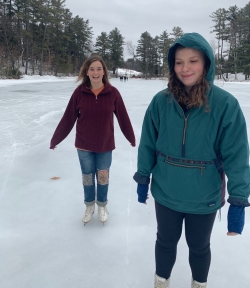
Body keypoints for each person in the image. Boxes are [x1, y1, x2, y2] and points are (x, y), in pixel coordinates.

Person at [133, 33, 250, 288]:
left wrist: (238, 201)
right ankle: (161, 282)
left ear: (206, 63)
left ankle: (199, 284)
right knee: (165, 241)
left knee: (199, 248)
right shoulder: (160, 101)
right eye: (178, 62)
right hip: (166, 191)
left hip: (204, 196)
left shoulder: (225, 105)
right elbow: (148, 144)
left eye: (193, 61)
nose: (185, 68)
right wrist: (143, 177)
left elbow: (237, 155)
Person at [50, 55, 135, 225]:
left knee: (103, 177)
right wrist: (56, 139)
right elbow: (68, 118)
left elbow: (123, 118)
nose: (95, 72)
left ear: (104, 71)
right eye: (92, 69)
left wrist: (131, 138)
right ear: (86, 72)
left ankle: (102, 205)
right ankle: (89, 206)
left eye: (98, 68)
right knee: (87, 178)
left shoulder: (113, 93)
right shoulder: (79, 93)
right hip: (84, 146)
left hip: (105, 145)